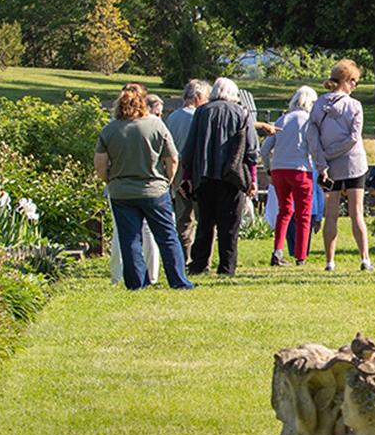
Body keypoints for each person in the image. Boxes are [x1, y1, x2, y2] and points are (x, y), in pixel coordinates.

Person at [94, 83, 193, 290]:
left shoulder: (110, 129)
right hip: (154, 189)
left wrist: (110, 181)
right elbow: (172, 158)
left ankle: (137, 283)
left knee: (130, 239)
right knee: (167, 237)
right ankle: (178, 281)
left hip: (121, 191)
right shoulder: (156, 125)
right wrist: (167, 179)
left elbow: (100, 164)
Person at [180, 76, 258, 276]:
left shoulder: (201, 112)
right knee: (230, 225)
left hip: (204, 174)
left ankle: (199, 264)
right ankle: (227, 267)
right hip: (233, 176)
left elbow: (189, 148)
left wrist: (187, 176)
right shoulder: (242, 113)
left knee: (205, 222)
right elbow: (251, 150)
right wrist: (253, 179)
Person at [307, 59, 372, 272]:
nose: (355, 86)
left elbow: (312, 135)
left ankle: (330, 261)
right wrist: (330, 154)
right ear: (349, 81)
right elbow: (354, 138)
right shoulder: (354, 106)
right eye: (355, 82)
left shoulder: (318, 104)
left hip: (329, 167)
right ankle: (365, 259)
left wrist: (322, 159)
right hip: (353, 163)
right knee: (357, 213)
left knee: (331, 214)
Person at [261, 85, 317, 266]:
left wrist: (268, 168)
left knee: (284, 211)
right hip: (300, 169)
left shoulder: (282, 120)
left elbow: (264, 149)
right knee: (303, 213)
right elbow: (314, 147)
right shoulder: (309, 121)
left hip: (278, 170)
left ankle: (278, 250)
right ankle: (301, 256)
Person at [165, 79, 210, 264]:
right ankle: (202, 259)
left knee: (183, 218)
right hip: (196, 171)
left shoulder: (172, 117)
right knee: (204, 217)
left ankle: (185, 257)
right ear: (199, 97)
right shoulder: (199, 117)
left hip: (177, 173)